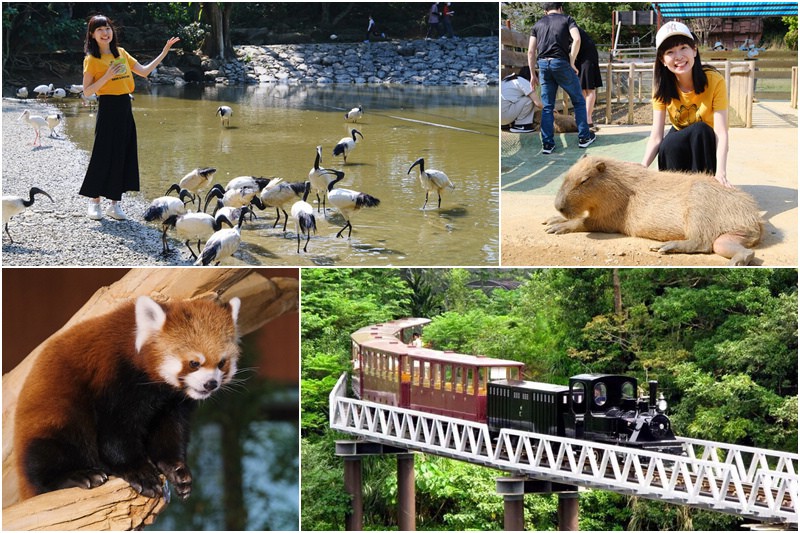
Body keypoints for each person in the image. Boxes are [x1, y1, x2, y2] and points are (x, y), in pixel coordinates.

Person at [80, 15, 179, 220]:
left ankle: (114, 204)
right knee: (102, 153)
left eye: (107, 28)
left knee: (122, 154)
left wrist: (164, 52)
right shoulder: (92, 59)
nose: (105, 33)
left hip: (125, 106)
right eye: (100, 30)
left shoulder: (122, 53)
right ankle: (95, 202)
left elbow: (143, 72)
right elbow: (87, 91)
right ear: (92, 35)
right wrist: (107, 76)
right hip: (107, 107)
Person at [641, 21, 731, 187]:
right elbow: (656, 136)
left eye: (683, 48)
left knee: (700, 129)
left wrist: (721, 173)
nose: (678, 56)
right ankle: (675, 190)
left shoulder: (714, 80)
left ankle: (705, 188)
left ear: (694, 50)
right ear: (662, 59)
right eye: (670, 51)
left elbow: (721, 131)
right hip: (680, 134)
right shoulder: (662, 88)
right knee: (668, 144)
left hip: (705, 139)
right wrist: (642, 167)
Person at [528, 2, 595, 154]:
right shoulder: (567, 19)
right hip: (561, 63)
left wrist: (533, 74)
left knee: (547, 106)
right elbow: (577, 39)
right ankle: (584, 137)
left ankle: (547, 144)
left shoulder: (537, 25)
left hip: (543, 65)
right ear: (560, 8)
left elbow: (531, 52)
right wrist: (571, 61)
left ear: (545, 11)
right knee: (578, 100)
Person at [575, 26, 602, 132]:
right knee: (581, 88)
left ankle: (587, 118)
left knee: (589, 88)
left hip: (587, 58)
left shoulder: (569, 26)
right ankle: (583, 117)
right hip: (579, 58)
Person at [501, 66, 542, 133]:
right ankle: (521, 125)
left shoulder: (508, 78)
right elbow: (538, 103)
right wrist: (550, 109)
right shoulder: (524, 82)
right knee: (530, 99)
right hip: (505, 117)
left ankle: (505, 125)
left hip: (499, 118)